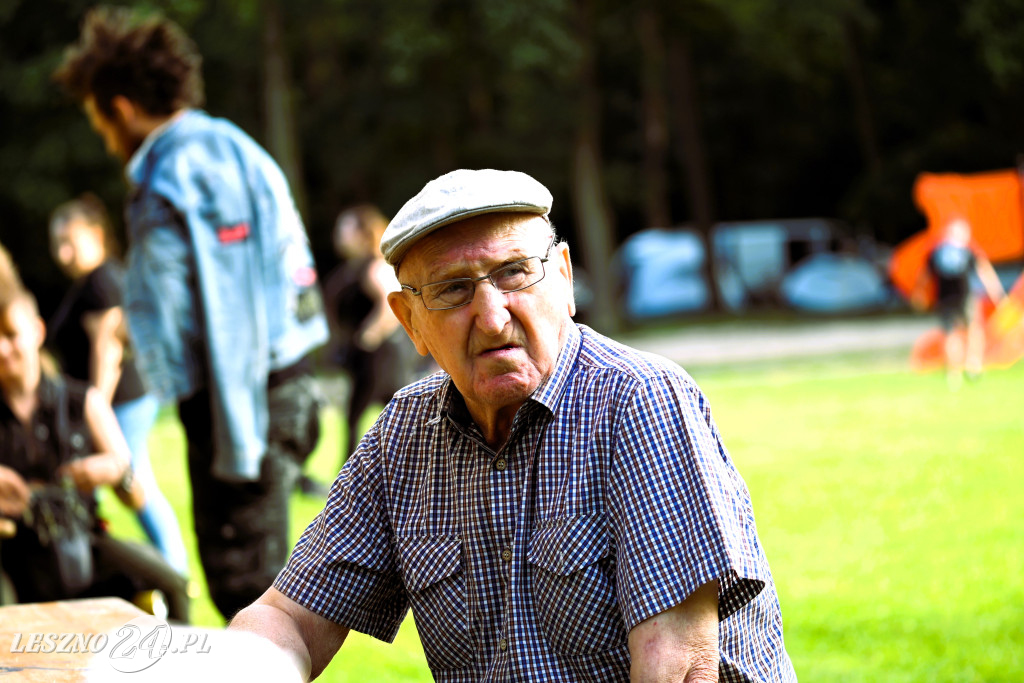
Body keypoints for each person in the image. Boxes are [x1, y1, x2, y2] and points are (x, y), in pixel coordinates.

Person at [229, 169, 796, 682]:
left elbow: (677, 666)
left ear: (565, 278)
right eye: (453, 289)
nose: (493, 315)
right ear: (409, 323)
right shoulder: (401, 439)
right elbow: (290, 621)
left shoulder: (639, 402)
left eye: (515, 273)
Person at [55, 6, 329, 619]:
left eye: (98, 118)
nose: (103, 134)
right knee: (269, 599)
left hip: (239, 409)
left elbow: (224, 319)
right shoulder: (238, 146)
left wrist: (233, 445)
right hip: (288, 387)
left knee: (248, 600)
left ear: (118, 106)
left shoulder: (170, 174)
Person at [0, 279, 189, 622]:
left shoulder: (83, 401)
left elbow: (135, 497)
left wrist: (118, 471)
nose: (2, 349)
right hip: (11, 555)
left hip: (83, 543)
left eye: (11, 335)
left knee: (169, 583)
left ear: (38, 331)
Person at [47, 193, 188, 576]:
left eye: (69, 242)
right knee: (131, 484)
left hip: (120, 401)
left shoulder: (101, 281)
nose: (62, 254)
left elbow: (107, 351)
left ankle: (174, 577)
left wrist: (97, 411)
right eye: (56, 244)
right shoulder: (90, 282)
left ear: (95, 235)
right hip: (118, 401)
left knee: (133, 484)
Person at [323, 204, 431, 469]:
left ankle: (407, 471)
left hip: (382, 356)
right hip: (370, 357)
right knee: (364, 416)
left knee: (386, 414)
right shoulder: (355, 267)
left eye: (344, 228)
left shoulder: (374, 267)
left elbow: (389, 304)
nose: (338, 234)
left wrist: (368, 336)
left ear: (361, 233)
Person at [913, 217, 1005, 388]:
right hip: (966, 296)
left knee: (950, 335)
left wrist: (919, 295)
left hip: (944, 298)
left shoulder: (936, 251)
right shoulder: (967, 250)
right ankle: (973, 364)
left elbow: (924, 276)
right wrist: (997, 293)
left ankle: (954, 374)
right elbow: (984, 271)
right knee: (974, 330)